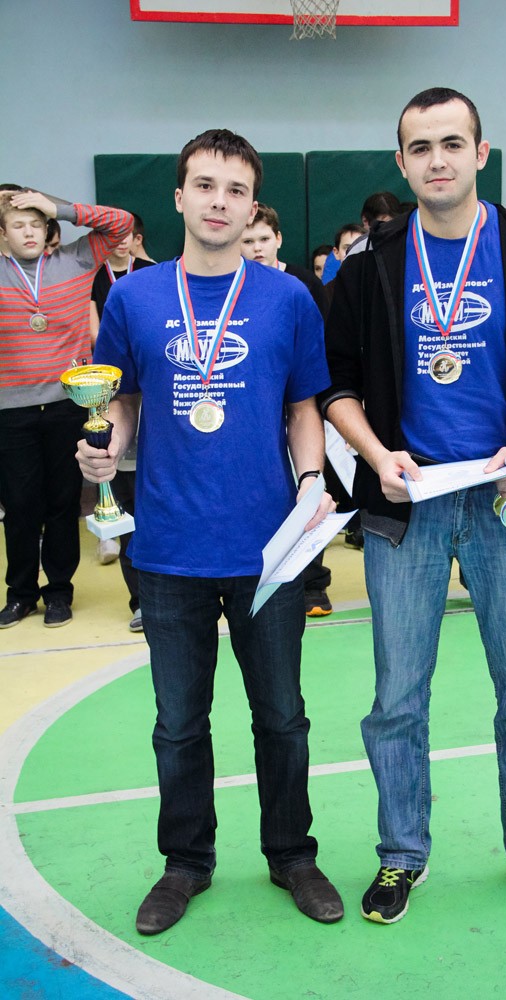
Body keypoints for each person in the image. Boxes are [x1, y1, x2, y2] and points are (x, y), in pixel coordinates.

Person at [321, 86, 506, 927]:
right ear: (400, 162)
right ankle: (400, 853)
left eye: (451, 143)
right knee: (396, 699)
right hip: (406, 504)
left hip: (505, 498)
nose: (436, 160)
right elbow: (337, 386)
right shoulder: (372, 261)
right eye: (419, 147)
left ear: (479, 153)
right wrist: (376, 456)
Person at [76, 128, 343, 934]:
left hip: (269, 548)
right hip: (167, 547)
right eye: (204, 185)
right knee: (178, 725)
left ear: (252, 205)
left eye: (235, 190)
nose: (218, 202)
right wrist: (109, 448)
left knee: (282, 717)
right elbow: (122, 399)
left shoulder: (287, 299)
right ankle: (185, 863)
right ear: (179, 197)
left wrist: (310, 481)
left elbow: (304, 406)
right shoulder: (134, 298)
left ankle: (291, 854)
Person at [0, 189, 133, 629]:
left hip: (66, 405)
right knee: (20, 505)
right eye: (18, 225)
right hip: (11, 411)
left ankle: (59, 591)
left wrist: (56, 206)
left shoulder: (74, 261)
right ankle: (20, 594)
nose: (29, 232)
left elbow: (121, 222)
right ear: (3, 233)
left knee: (62, 502)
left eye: (36, 224)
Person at [240, 203, 333, 616]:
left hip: (302, 405)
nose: (257, 248)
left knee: (309, 491)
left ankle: (312, 581)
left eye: (264, 239)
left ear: (278, 239)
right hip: (255, 411)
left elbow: (321, 346)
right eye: (248, 241)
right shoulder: (232, 287)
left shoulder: (301, 285)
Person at [90, 215, 155, 626]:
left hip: (162, 414)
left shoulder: (154, 274)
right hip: (116, 396)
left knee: (155, 510)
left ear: (138, 239)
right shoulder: (96, 278)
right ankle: (139, 601)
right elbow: (99, 336)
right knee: (128, 506)